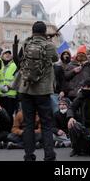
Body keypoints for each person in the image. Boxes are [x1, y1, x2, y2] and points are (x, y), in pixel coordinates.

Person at [12, 21, 58, 161]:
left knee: (29, 123)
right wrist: (49, 40)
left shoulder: (27, 43)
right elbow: (55, 58)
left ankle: (29, 155)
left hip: (26, 89)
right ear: (45, 32)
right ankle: (49, 155)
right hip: (42, 91)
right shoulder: (49, 45)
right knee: (46, 124)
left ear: (32, 31)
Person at [0, 48, 18, 122]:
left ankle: (8, 131)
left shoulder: (14, 65)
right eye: (5, 53)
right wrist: (1, 87)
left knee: (9, 115)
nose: (7, 55)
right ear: (2, 55)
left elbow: (17, 78)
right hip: (0, 95)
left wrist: (9, 86)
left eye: (9, 53)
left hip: (11, 96)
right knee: (0, 115)